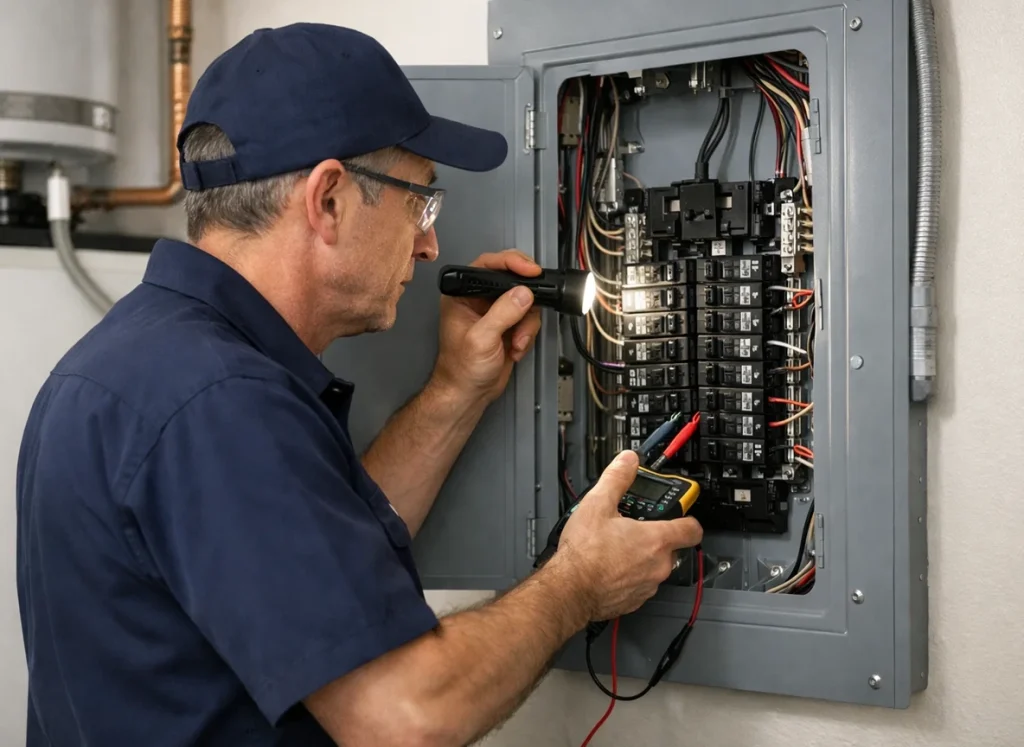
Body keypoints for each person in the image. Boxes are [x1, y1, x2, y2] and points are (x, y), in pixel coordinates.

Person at [15, 22, 703, 747]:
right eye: (421, 202)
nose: (430, 244)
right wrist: (577, 584)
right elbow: (406, 716)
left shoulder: (131, 365)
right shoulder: (220, 402)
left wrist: (456, 390)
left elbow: (309, 566)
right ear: (329, 199)